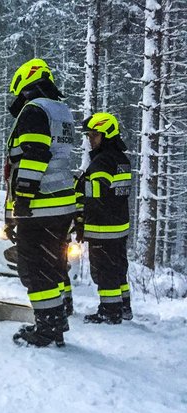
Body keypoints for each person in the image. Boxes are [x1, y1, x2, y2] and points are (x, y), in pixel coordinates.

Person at [4, 58, 77, 347]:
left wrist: (23, 198)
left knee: (35, 270)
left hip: (40, 205)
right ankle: (55, 323)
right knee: (53, 266)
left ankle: (46, 329)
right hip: (62, 204)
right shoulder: (60, 110)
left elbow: (35, 155)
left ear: (25, 84)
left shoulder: (34, 110)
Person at [76, 112, 132, 324]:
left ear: (106, 134)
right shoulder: (121, 159)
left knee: (104, 270)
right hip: (119, 226)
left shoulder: (102, 162)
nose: (90, 140)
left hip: (103, 228)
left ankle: (109, 311)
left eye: (94, 135)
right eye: (89, 136)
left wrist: (81, 220)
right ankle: (124, 306)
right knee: (118, 268)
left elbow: (94, 197)